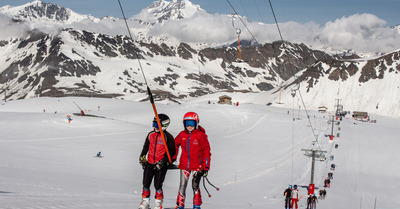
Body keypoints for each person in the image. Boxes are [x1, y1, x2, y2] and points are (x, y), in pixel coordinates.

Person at [174, 112, 211, 209]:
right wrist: (173, 157)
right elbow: (174, 145)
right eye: (187, 123)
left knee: (195, 186)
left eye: (192, 123)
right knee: (182, 185)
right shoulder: (182, 134)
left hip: (197, 166)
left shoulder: (201, 135)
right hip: (184, 165)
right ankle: (180, 205)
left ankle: (197, 205)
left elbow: (206, 151)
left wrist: (205, 167)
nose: (189, 126)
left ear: (197, 123)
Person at [138, 114, 176, 209]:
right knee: (146, 183)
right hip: (149, 163)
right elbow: (146, 146)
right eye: (154, 124)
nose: (155, 127)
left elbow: (171, 152)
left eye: (157, 125)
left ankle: (158, 203)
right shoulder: (151, 134)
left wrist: (162, 162)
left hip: (161, 165)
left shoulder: (168, 137)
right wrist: (142, 156)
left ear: (164, 126)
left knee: (158, 185)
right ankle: (145, 202)